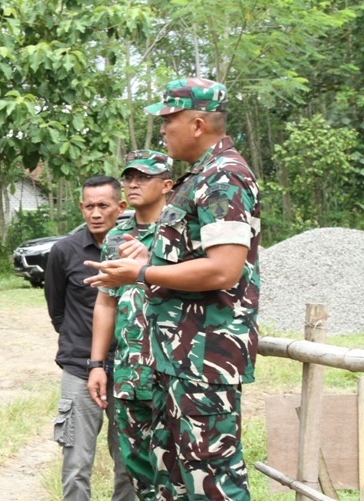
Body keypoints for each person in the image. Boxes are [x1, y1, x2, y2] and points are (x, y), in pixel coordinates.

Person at [86, 78, 260, 500]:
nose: (162, 130)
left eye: (168, 120)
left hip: (205, 359)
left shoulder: (225, 178)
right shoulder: (196, 179)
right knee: (172, 481)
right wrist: (148, 263)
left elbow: (223, 270)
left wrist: (142, 275)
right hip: (173, 359)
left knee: (213, 480)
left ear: (197, 124)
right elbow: (191, 261)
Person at [87, 151, 173, 500]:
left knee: (175, 469)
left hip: (172, 369)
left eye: (144, 178)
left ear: (167, 185)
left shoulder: (180, 231)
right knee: (137, 471)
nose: (134, 184)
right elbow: (106, 301)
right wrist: (96, 364)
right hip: (129, 373)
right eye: (129, 177)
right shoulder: (116, 236)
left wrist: (150, 264)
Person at [44, 175, 135, 501]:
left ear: (120, 207)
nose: (96, 213)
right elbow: (57, 310)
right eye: (89, 206)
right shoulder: (64, 251)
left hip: (129, 370)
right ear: (81, 207)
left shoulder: (136, 249)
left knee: (129, 462)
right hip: (80, 369)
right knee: (76, 462)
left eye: (103, 205)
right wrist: (81, 343)